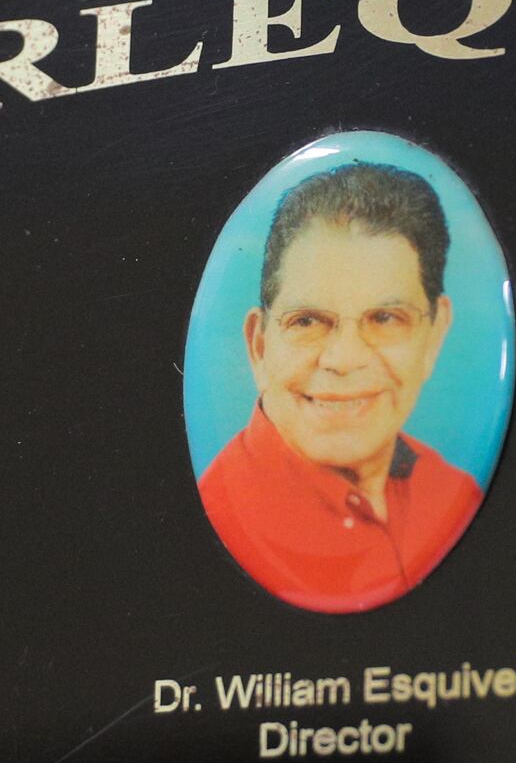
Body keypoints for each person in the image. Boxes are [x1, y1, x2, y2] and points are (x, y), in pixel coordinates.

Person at [197, 161, 484, 614]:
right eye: (307, 321)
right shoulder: (219, 515)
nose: (345, 359)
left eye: (385, 318)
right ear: (259, 345)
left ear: (433, 337)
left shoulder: (456, 492)